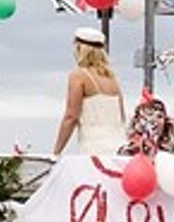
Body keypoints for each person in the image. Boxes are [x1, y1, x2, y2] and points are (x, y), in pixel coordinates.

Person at [50, 27, 126, 157]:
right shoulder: (112, 79)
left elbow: (71, 117)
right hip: (120, 146)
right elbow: (121, 117)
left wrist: (57, 151)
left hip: (94, 148)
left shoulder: (79, 76)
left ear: (81, 49)